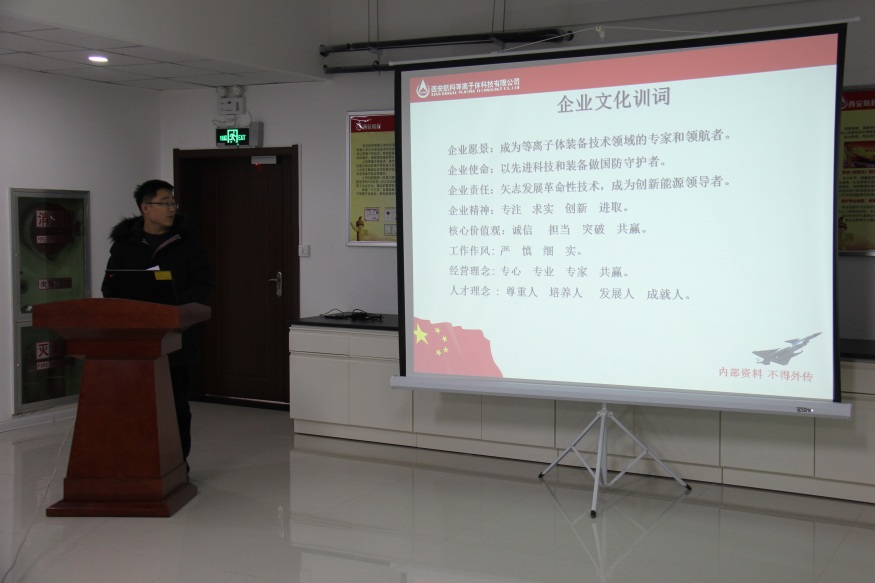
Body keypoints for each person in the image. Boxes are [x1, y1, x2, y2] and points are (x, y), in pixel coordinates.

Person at [101, 179, 212, 469]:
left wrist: (169, 305)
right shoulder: (125, 244)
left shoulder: (187, 243)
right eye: (165, 203)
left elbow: (203, 286)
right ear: (145, 208)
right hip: (136, 340)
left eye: (173, 203)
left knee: (175, 406)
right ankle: (138, 464)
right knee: (136, 406)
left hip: (176, 338)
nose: (172, 209)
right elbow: (110, 286)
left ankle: (177, 465)